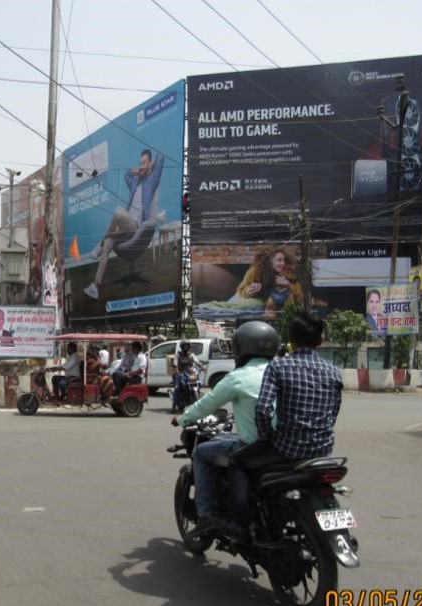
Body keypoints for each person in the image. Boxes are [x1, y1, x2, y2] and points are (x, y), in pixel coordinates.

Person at [227, 313, 344, 535]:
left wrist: (267, 438)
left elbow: (263, 410)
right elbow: (333, 412)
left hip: (286, 448)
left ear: (290, 340)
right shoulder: (333, 371)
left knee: (237, 463)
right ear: (319, 340)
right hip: (322, 450)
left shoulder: (280, 367)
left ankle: (240, 524)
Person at [173, 321, 280, 538]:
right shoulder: (284, 371)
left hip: (255, 446)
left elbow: (207, 404)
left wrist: (183, 418)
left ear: (240, 349)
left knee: (201, 453)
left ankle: (207, 515)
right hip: (286, 444)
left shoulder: (238, 377)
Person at [83, 149, 165, 300]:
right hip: (125, 228)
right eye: (140, 163)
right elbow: (126, 173)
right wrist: (139, 170)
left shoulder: (151, 182)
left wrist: (150, 166)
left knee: (118, 212)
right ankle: (95, 286)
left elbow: (161, 158)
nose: (142, 165)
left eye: (144, 162)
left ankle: (98, 246)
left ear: (150, 163)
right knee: (109, 243)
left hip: (135, 226)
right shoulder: (135, 182)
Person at [234, 248, 304, 315]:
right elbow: (240, 290)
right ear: (269, 261)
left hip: (279, 307)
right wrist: (249, 290)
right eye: (279, 260)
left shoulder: (287, 272)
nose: (283, 263)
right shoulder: (255, 271)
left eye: (284, 260)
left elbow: (299, 295)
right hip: (258, 303)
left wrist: (287, 284)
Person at [171, 340, 201, 413]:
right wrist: (177, 370)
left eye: (187, 346)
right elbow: (175, 363)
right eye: (184, 346)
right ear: (181, 347)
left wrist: (201, 366)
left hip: (189, 373)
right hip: (180, 373)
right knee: (177, 387)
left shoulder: (191, 354)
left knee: (198, 382)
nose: (186, 347)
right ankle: (174, 405)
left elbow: (196, 361)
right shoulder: (178, 354)